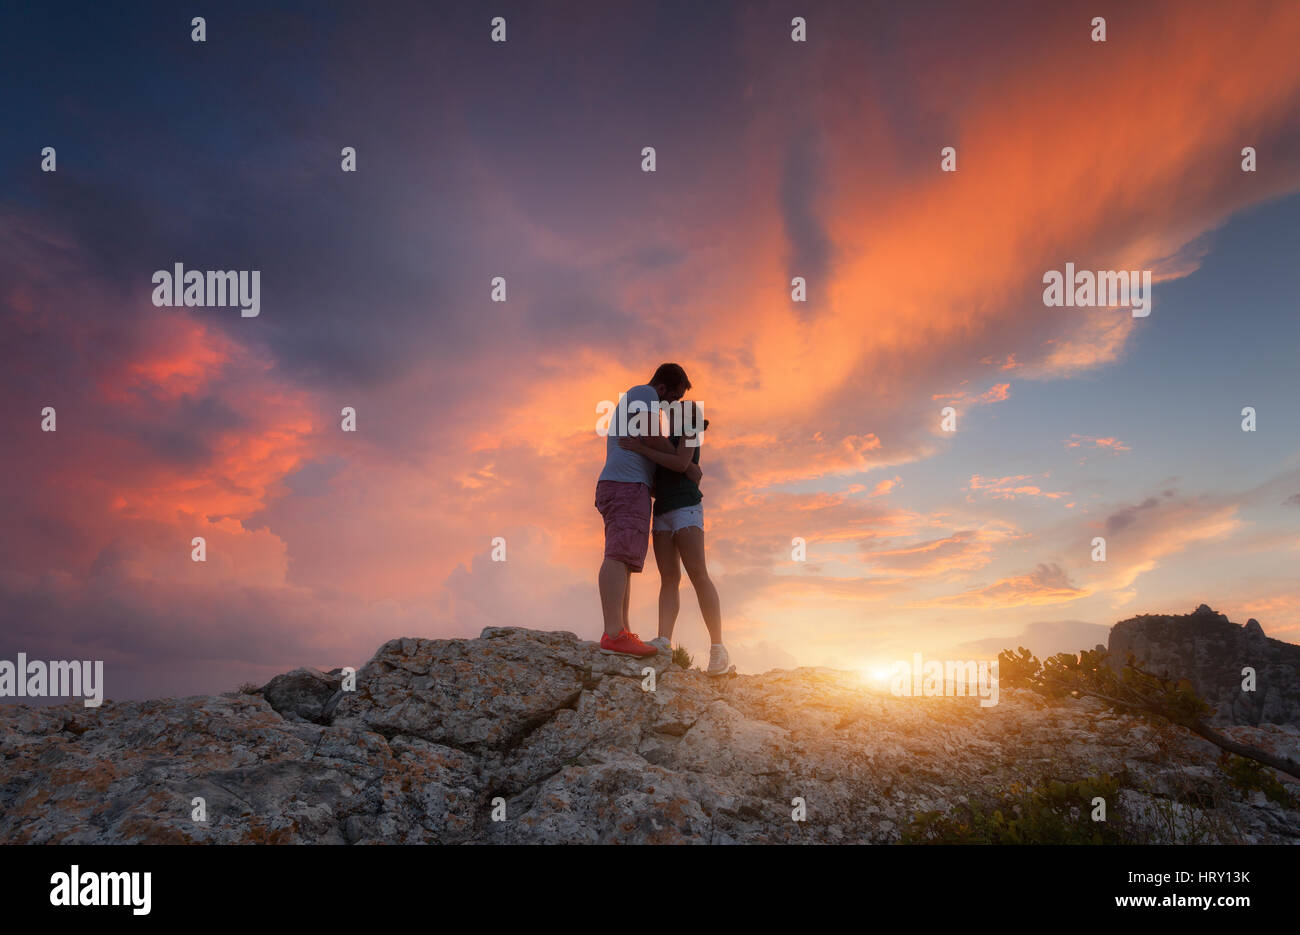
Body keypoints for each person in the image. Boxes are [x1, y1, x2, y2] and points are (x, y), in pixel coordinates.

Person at [618, 399, 732, 676]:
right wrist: (677, 467)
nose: (675, 413)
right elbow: (670, 474)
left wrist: (643, 448)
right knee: (669, 579)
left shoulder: (690, 431)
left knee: (698, 574)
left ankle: (718, 648)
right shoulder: (665, 440)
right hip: (663, 512)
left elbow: (681, 462)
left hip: (686, 508)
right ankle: (664, 642)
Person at [594, 363, 699, 656]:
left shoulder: (641, 398)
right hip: (625, 484)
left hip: (630, 486)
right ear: (663, 388)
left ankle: (622, 632)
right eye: (673, 399)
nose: (671, 406)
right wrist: (684, 462)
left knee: (625, 557)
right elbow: (652, 436)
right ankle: (614, 633)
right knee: (617, 555)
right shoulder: (644, 393)